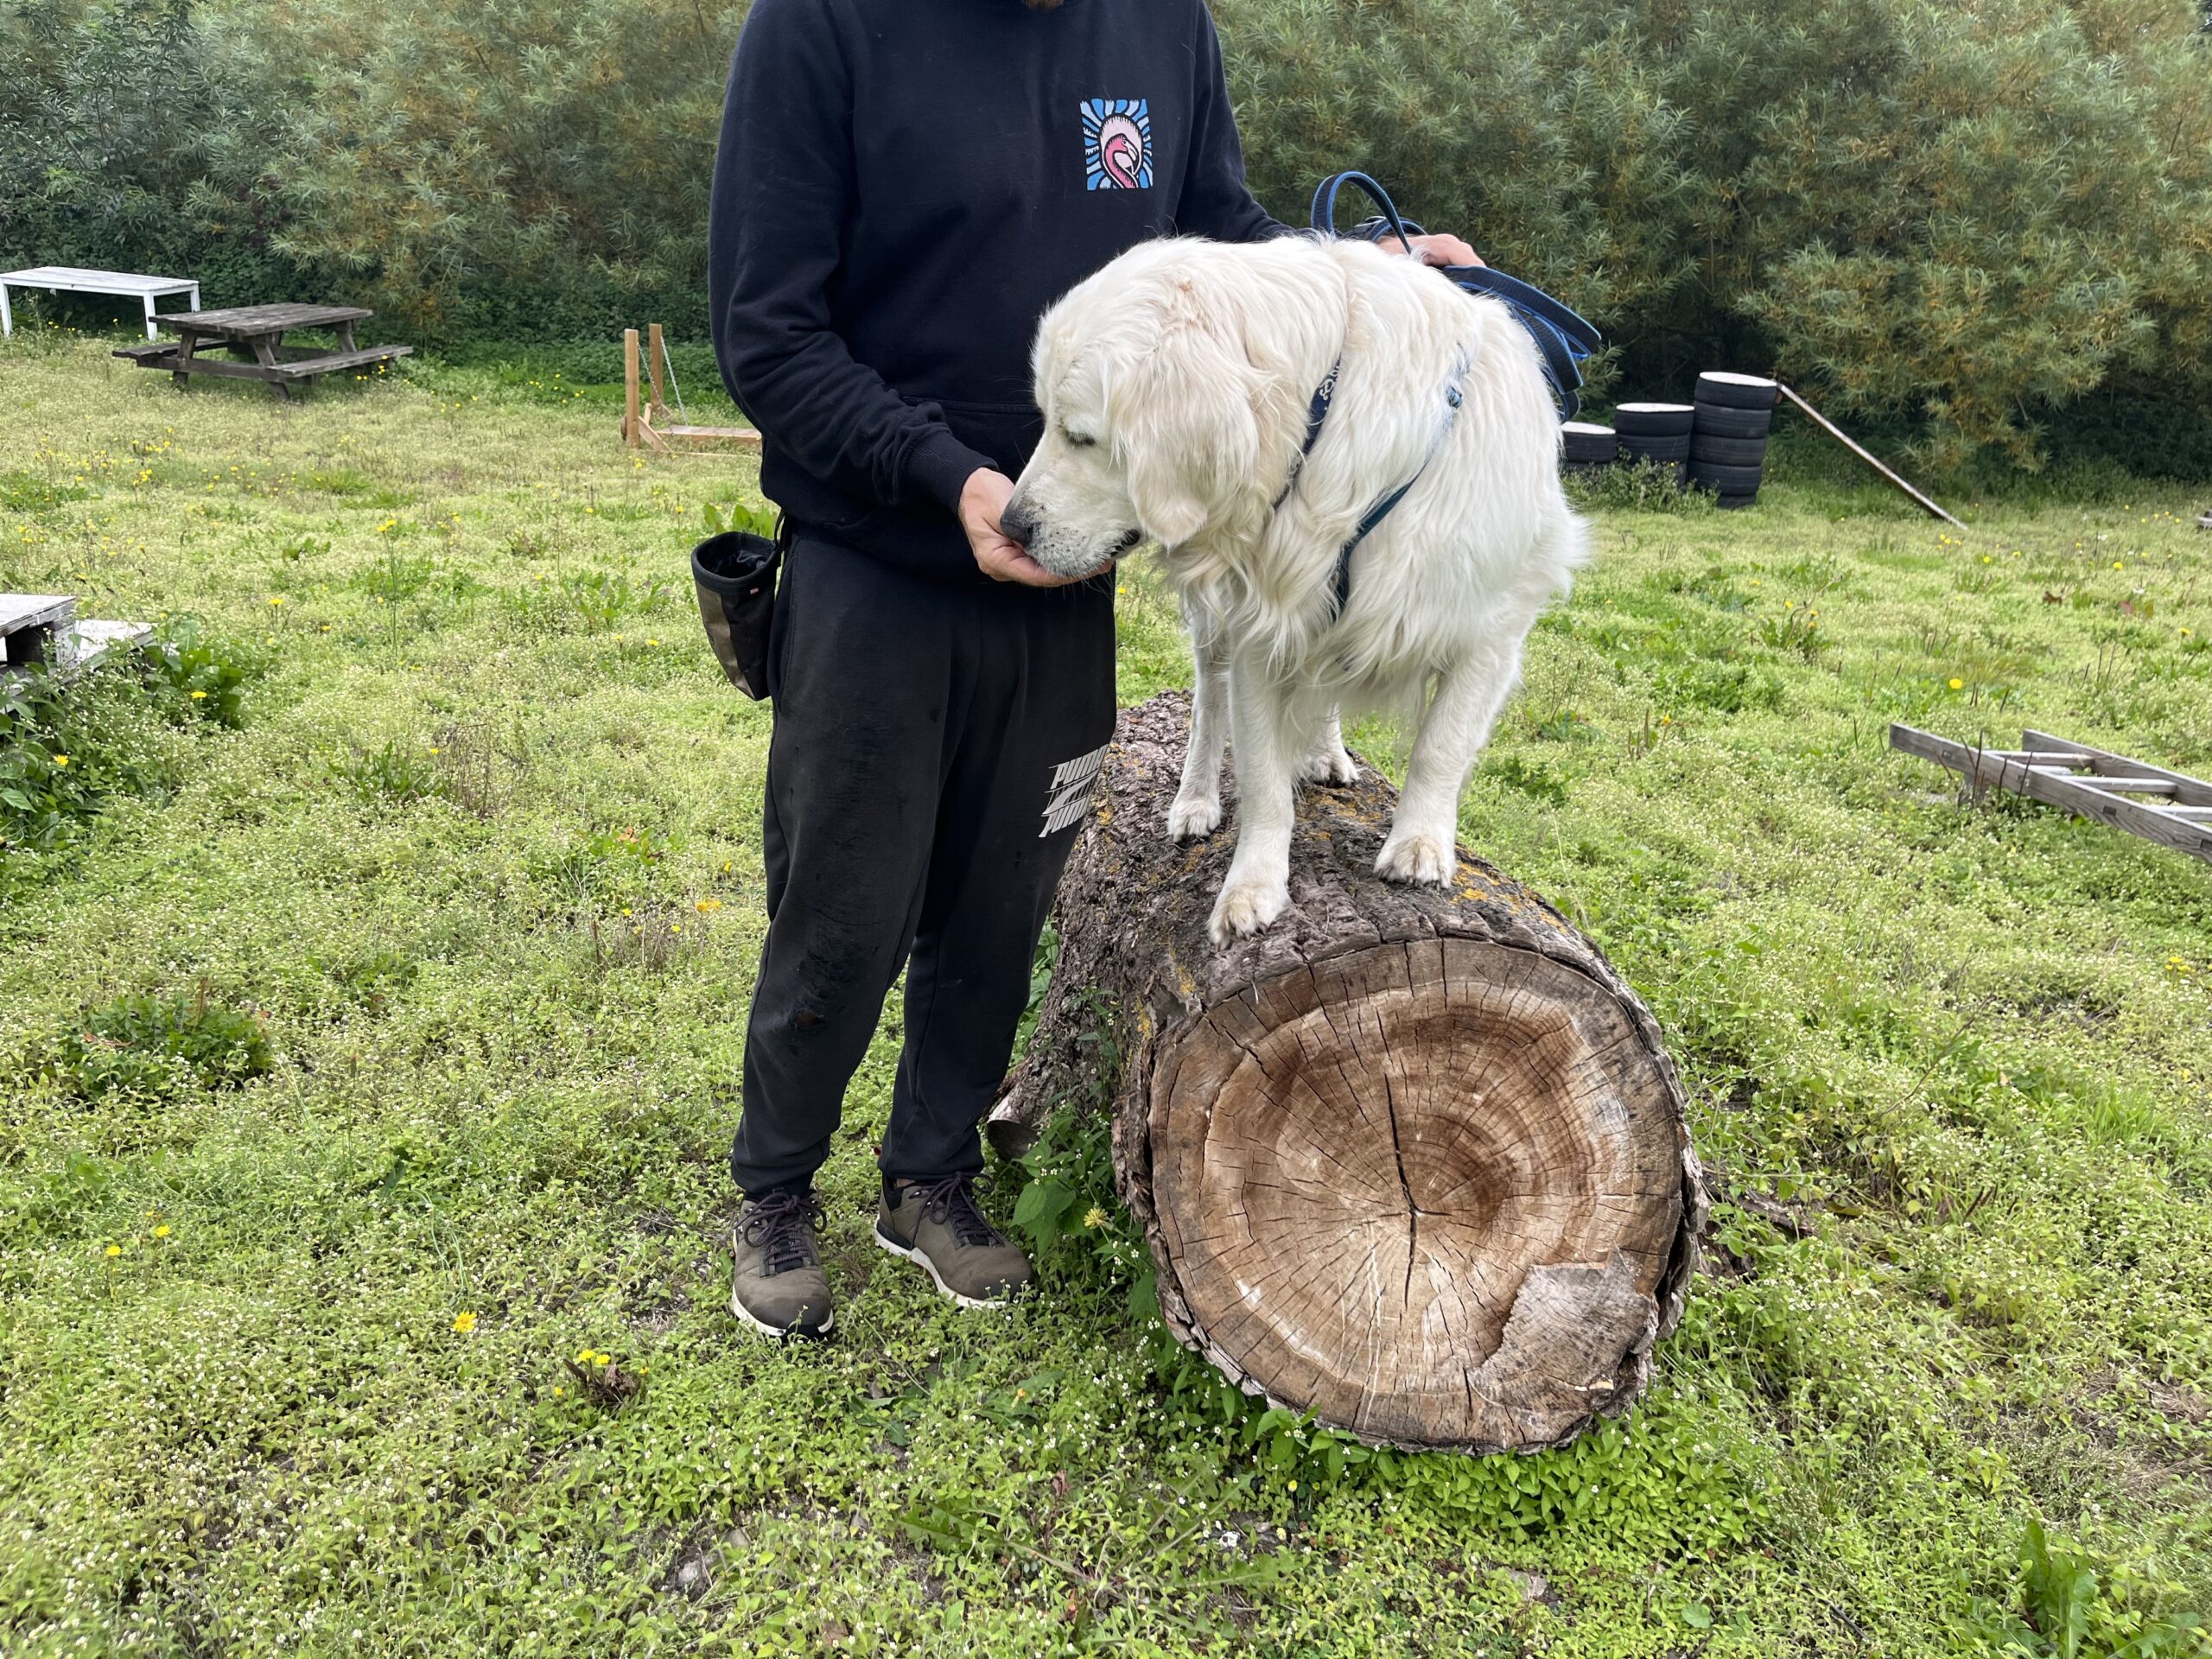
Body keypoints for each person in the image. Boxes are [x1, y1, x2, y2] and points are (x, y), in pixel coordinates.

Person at [709, 0, 1478, 1338]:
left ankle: (931, 1177)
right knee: (845, 896)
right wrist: (948, 481)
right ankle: (775, 1189)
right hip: (880, 559)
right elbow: (769, 335)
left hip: (1072, 569)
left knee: (1011, 894)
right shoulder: (820, 27)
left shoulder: (1161, 30)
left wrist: (1369, 274)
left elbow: (1220, 246)